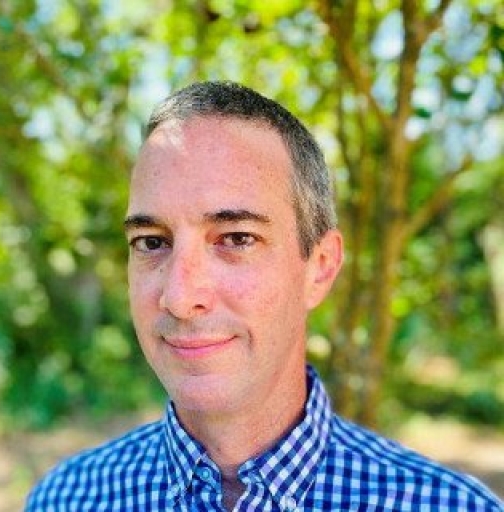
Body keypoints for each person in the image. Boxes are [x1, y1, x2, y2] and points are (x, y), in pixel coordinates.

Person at [26, 81, 503, 511]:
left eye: (236, 238)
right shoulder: (66, 499)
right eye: (152, 242)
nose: (180, 296)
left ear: (319, 268)